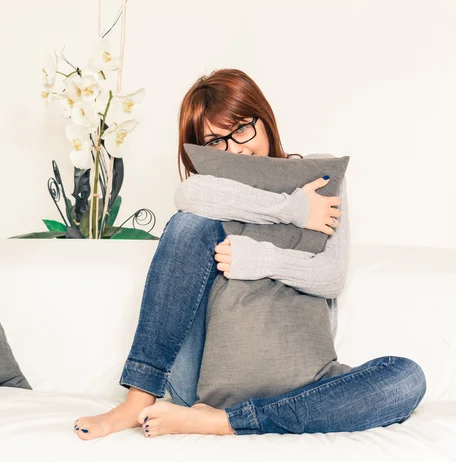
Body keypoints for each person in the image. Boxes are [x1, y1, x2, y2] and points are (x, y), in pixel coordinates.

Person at [73, 68, 426, 439]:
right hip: (195, 384)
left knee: (406, 379)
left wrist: (259, 260)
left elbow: (331, 277)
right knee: (188, 225)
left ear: (265, 118)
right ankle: (138, 400)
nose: (235, 149)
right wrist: (294, 210)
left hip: (306, 386)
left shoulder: (320, 173)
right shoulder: (210, 188)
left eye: (242, 128)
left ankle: (226, 421)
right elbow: (188, 197)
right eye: (215, 142)